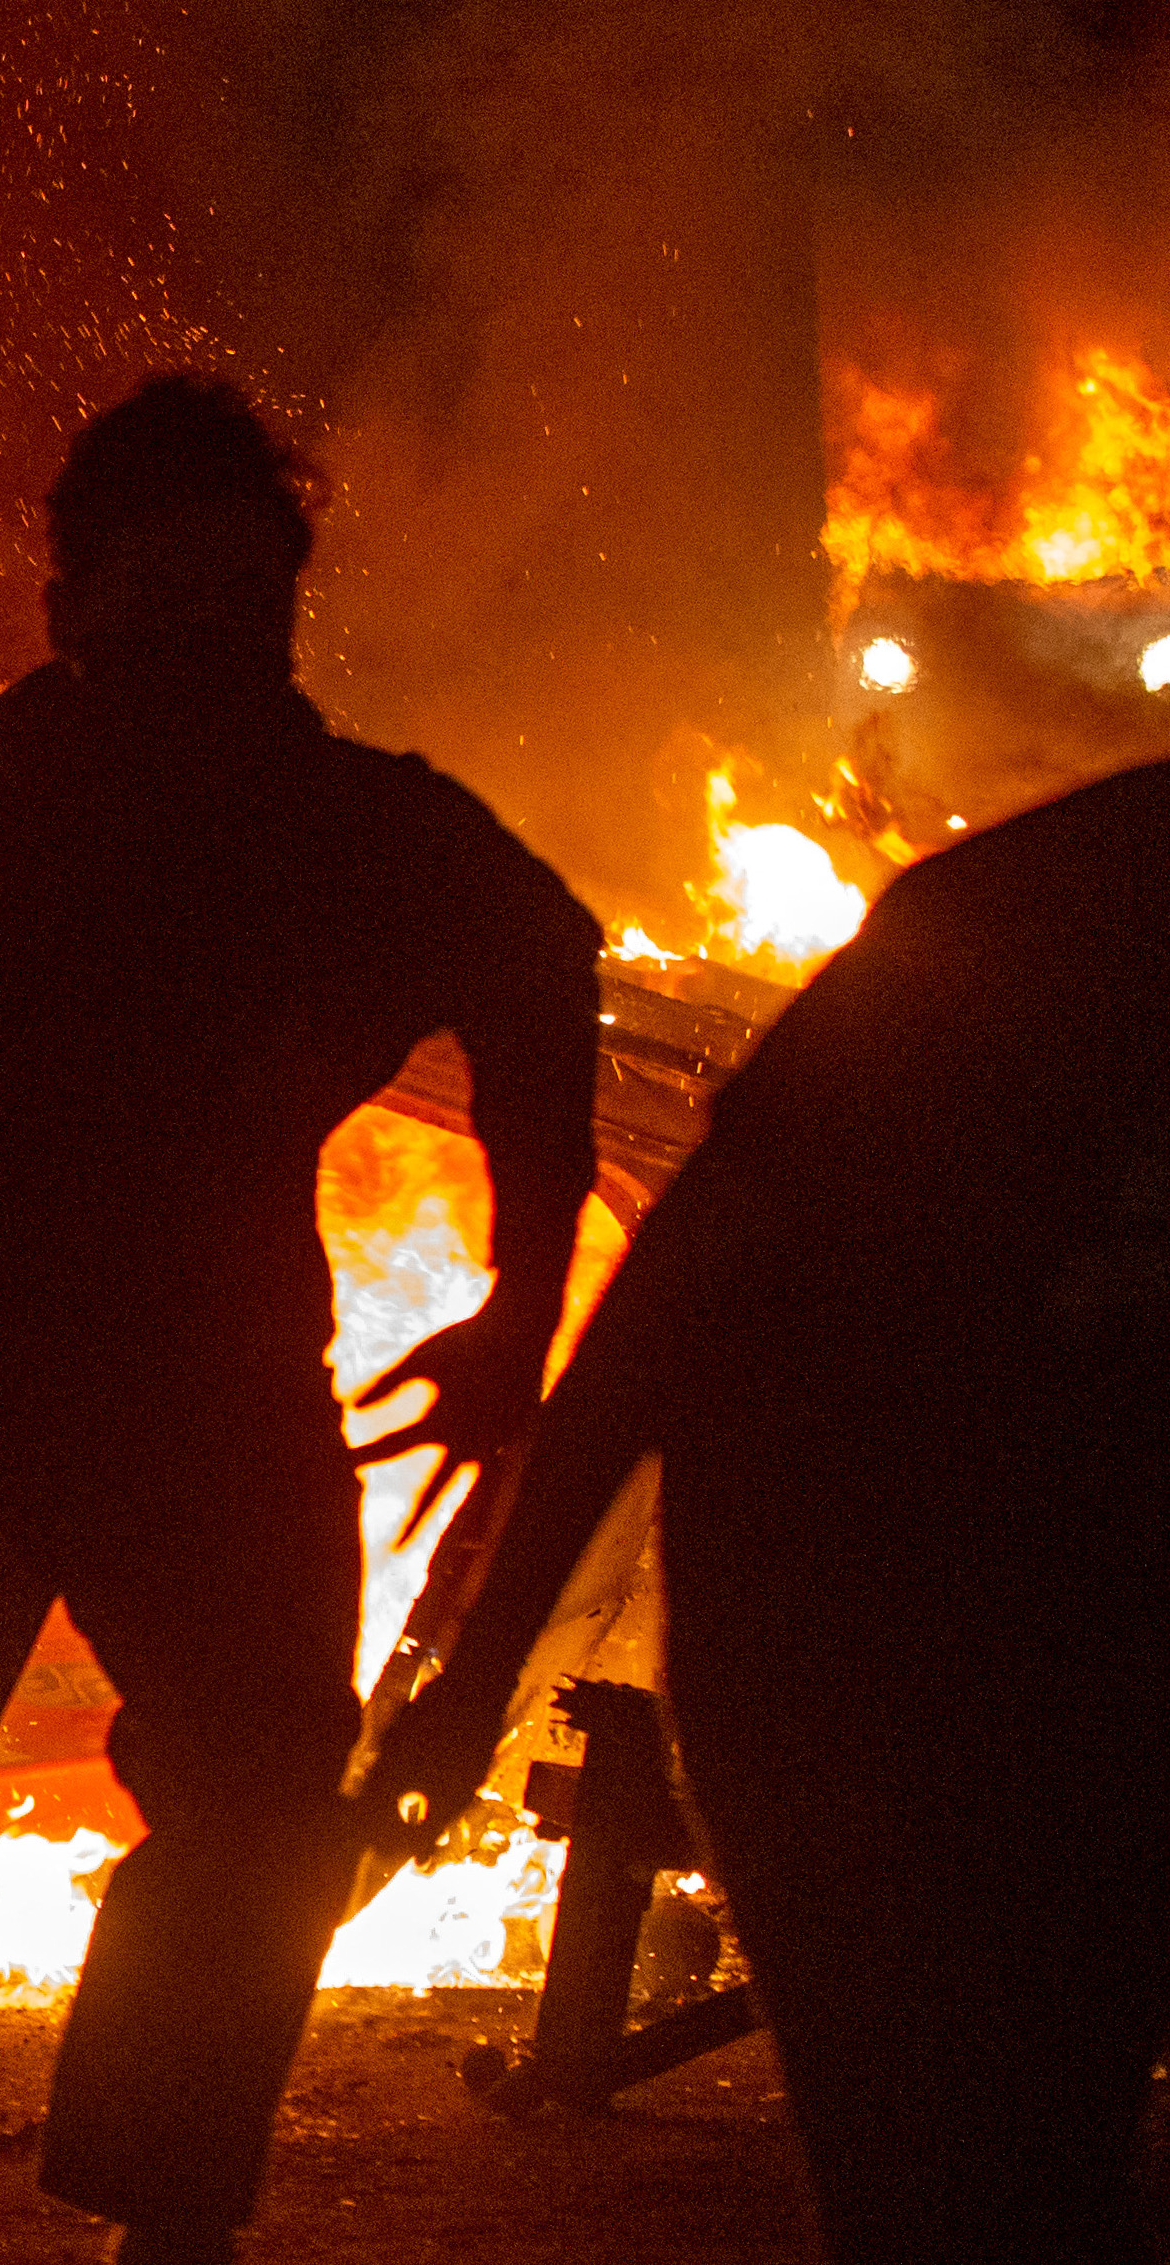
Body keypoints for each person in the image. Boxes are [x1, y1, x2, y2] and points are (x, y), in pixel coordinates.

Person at [0, 376, 601, 2265]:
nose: (201, 631)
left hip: (203, 1406)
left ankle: (159, 2221)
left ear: (283, 612)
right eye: (162, 589)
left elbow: (541, 967)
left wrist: (521, 1312)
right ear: (75, 607)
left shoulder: (337, 826)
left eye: (239, 594)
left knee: (252, 1821)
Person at [371, 753, 1170, 2265]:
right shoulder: (1024, 924)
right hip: (859, 1666)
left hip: (1078, 1666)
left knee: (1037, 2165)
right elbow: (675, 1299)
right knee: (947, 2174)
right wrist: (470, 1689)